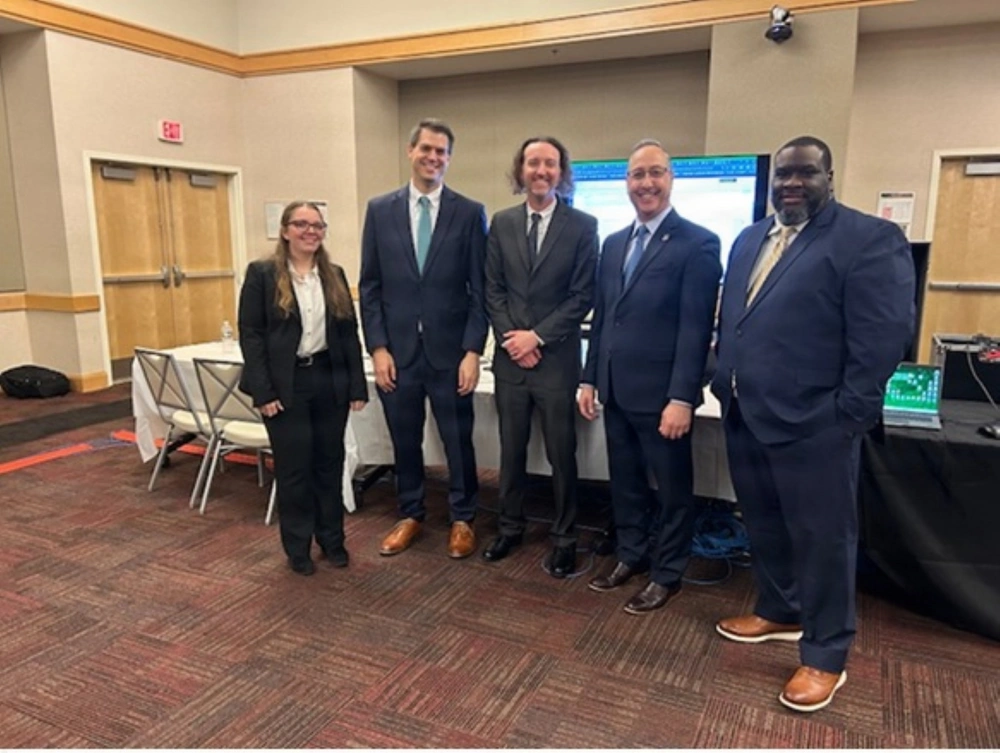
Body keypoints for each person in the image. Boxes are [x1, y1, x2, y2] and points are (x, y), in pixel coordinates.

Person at [711, 136, 915, 712]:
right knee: (765, 524)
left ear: (830, 175)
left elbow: (883, 338)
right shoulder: (751, 238)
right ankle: (779, 610)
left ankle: (826, 655)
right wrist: (721, 373)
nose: (791, 183)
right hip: (746, 412)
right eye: (782, 174)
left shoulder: (868, 239)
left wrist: (847, 416)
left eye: (805, 173)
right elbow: (739, 318)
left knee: (824, 542)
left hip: (817, 424)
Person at [579, 139, 721, 612]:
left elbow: (696, 327)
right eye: (637, 175)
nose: (646, 183)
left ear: (671, 178)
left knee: (673, 489)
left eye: (655, 173)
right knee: (626, 483)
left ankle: (667, 572)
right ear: (627, 184)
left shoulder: (698, 242)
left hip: (663, 398)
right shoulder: (615, 243)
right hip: (616, 390)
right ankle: (632, 555)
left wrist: (683, 396)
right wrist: (589, 378)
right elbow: (604, 318)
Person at [359, 118, 488, 559]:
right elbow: (370, 286)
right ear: (410, 151)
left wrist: (473, 351)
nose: (434, 157)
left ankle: (463, 517)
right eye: (427, 149)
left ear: (449, 159)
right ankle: (411, 513)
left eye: (442, 152)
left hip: (450, 354)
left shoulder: (470, 213)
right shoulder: (380, 210)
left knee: (457, 439)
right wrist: (377, 347)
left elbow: (480, 290)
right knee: (404, 439)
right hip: (397, 354)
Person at [482, 136, 598, 578]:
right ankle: (509, 527)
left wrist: (537, 338)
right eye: (533, 163)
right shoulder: (503, 222)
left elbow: (581, 296)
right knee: (510, 451)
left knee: (560, 454)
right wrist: (514, 340)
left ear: (561, 172)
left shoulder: (583, 226)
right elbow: (493, 289)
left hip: (556, 361)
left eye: (550, 164)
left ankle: (565, 538)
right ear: (521, 170)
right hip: (511, 360)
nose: (541, 171)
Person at [238, 200, 368, 576]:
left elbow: (347, 334)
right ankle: (297, 547)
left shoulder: (335, 275)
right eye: (301, 224)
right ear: (285, 230)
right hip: (285, 384)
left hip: (328, 381)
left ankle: (332, 540)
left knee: (330, 465)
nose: (310, 231)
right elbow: (252, 336)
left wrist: (356, 386)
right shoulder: (262, 274)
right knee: (295, 470)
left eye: (317, 225)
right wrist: (264, 393)